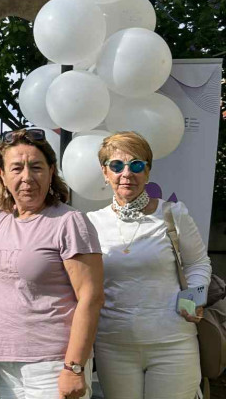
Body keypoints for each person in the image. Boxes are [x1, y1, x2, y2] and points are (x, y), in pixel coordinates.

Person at [86, 132, 210, 399]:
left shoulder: (173, 214)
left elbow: (198, 262)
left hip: (173, 343)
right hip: (113, 345)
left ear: (148, 171)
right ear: (105, 172)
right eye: (116, 165)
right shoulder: (91, 223)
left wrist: (193, 298)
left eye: (136, 165)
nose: (126, 173)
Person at [0, 129, 104, 399]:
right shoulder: (0, 221)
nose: (27, 177)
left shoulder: (69, 221)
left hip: (54, 365)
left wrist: (74, 367)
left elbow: (91, 297)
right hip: (5, 365)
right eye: (16, 168)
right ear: (1, 175)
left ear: (51, 172)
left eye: (36, 167)